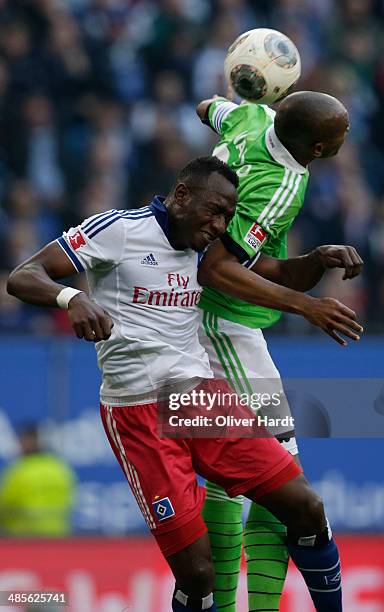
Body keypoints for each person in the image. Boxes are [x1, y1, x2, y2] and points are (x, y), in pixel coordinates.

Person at [7, 156, 361, 612]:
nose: (219, 225)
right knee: (198, 575)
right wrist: (71, 296)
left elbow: (274, 273)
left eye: (228, 216)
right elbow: (23, 276)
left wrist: (315, 261)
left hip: (200, 399)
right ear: (181, 196)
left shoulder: (205, 248)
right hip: (136, 412)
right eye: (214, 211)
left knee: (308, 509)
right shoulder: (118, 229)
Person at [196, 91, 361, 612]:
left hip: (195, 314)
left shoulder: (250, 116)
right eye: (340, 134)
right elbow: (218, 269)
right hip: (221, 323)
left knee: (235, 477)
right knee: (284, 483)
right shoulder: (282, 182)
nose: (345, 139)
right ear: (317, 147)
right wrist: (306, 306)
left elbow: (208, 107)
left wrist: (312, 260)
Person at [0, 424, 76, 536]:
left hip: (25, 537)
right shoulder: (59, 468)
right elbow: (71, 497)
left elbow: (4, 506)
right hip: (59, 536)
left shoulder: (19, 470)